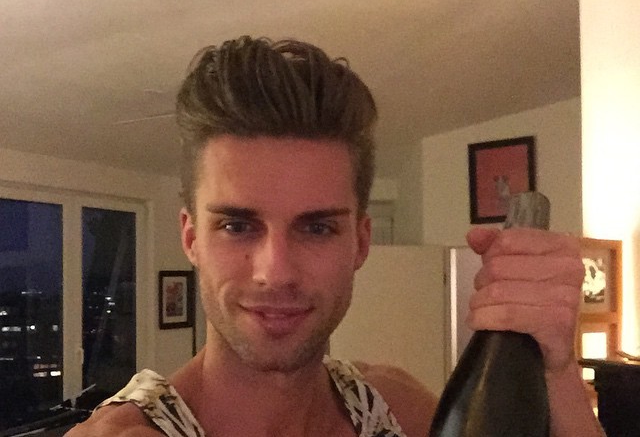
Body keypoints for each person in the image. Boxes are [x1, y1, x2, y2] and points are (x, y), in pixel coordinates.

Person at [66, 36, 604, 436]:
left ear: (361, 242)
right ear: (191, 238)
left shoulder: (394, 410)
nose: (276, 271)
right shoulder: (128, 432)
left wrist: (556, 370)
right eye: (237, 225)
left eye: (317, 227)